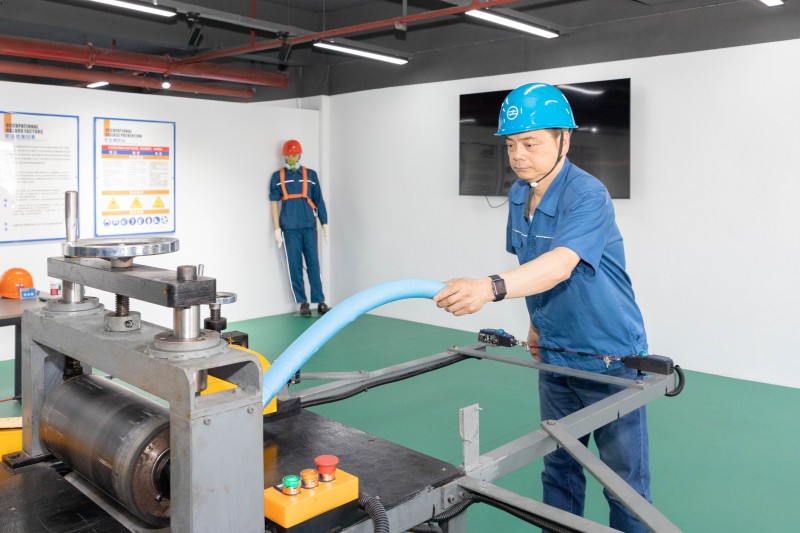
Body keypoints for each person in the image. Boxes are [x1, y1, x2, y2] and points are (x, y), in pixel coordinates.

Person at [433, 83, 651, 532]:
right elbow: (529, 264)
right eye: (511, 144)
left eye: (530, 143)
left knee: (623, 483)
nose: (518, 155)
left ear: (564, 140)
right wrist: (537, 325)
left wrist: (488, 288)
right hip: (555, 355)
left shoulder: (588, 194)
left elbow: (559, 265)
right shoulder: (519, 195)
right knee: (559, 470)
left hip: (608, 358)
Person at [269, 139, 330, 316]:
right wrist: (276, 229)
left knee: (313, 264)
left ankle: (320, 300)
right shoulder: (277, 177)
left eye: (295, 155)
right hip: (289, 228)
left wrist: (325, 223)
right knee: (294, 266)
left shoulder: (311, 175)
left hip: (309, 226)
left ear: (300, 155)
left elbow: (319, 200)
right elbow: (274, 203)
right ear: (284, 156)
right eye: (289, 155)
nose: (292, 158)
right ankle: (303, 303)